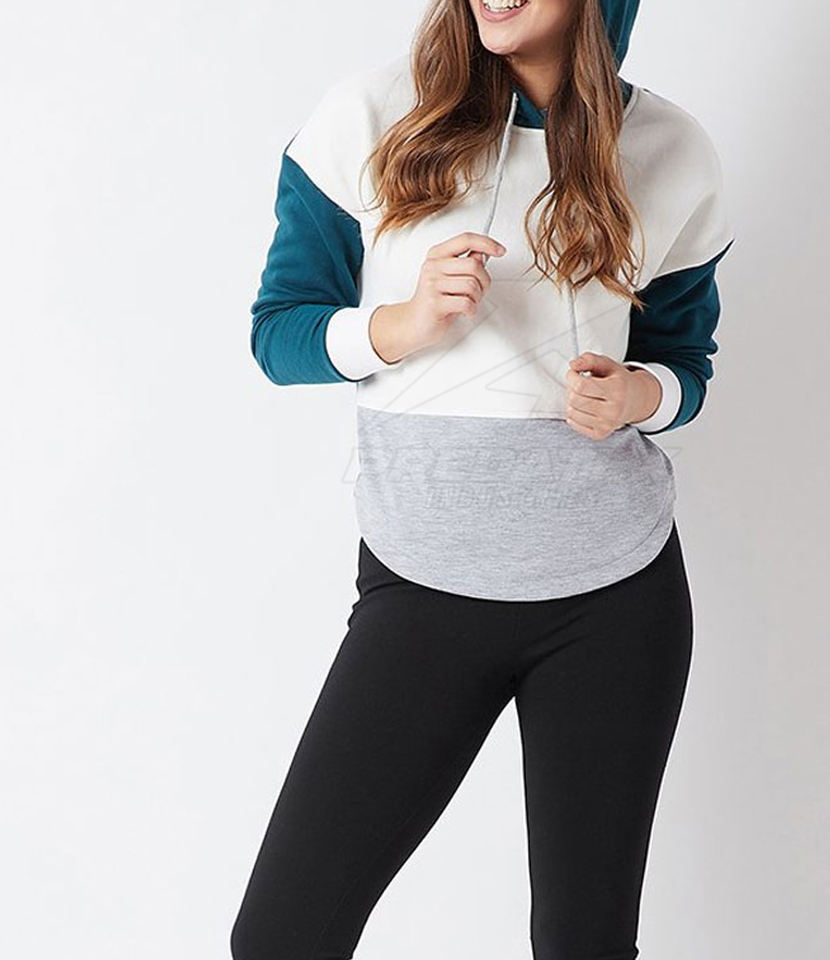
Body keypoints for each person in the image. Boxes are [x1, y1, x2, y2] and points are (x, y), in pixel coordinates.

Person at [231, 1, 735, 958]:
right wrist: (403, 324)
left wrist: (639, 394)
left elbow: (686, 363)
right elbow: (278, 331)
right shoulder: (372, 116)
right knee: (284, 936)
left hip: (615, 599)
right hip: (423, 587)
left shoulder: (673, 150)